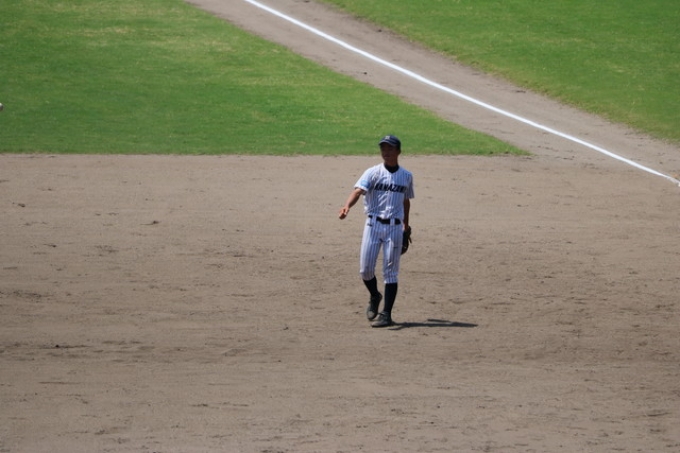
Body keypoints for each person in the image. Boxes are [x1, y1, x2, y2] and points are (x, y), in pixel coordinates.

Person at [338, 135, 415, 327]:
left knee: (391, 273)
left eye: (390, 148)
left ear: (398, 151)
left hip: (394, 228)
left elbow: (406, 201)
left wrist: (406, 225)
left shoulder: (406, 176)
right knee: (365, 270)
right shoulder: (372, 172)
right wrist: (347, 206)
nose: (386, 152)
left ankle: (386, 314)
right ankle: (374, 295)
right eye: (383, 148)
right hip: (373, 225)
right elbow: (358, 191)